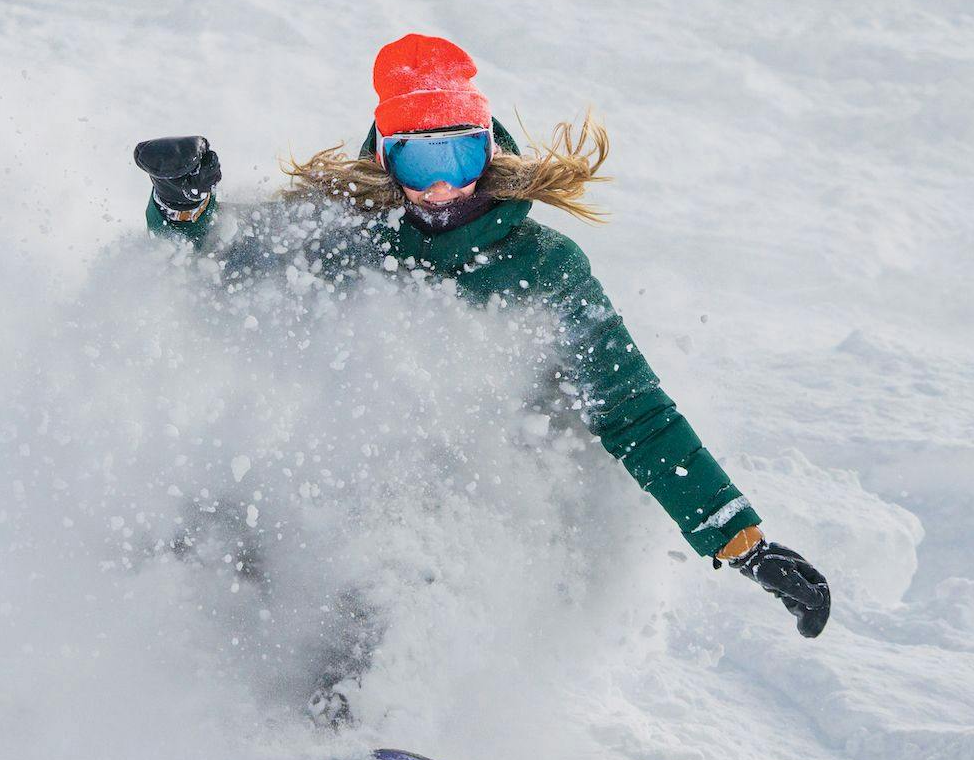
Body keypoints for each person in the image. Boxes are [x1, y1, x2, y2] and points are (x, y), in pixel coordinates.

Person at [135, 33, 830, 682]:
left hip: (463, 496)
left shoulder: (543, 266)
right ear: (385, 160)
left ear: (488, 155)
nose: (441, 188)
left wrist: (743, 540)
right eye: (418, 161)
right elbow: (218, 267)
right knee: (227, 514)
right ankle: (182, 660)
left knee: (397, 556)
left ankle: (353, 714)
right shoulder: (344, 234)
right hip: (328, 474)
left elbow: (633, 412)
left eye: (459, 159)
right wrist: (183, 205)